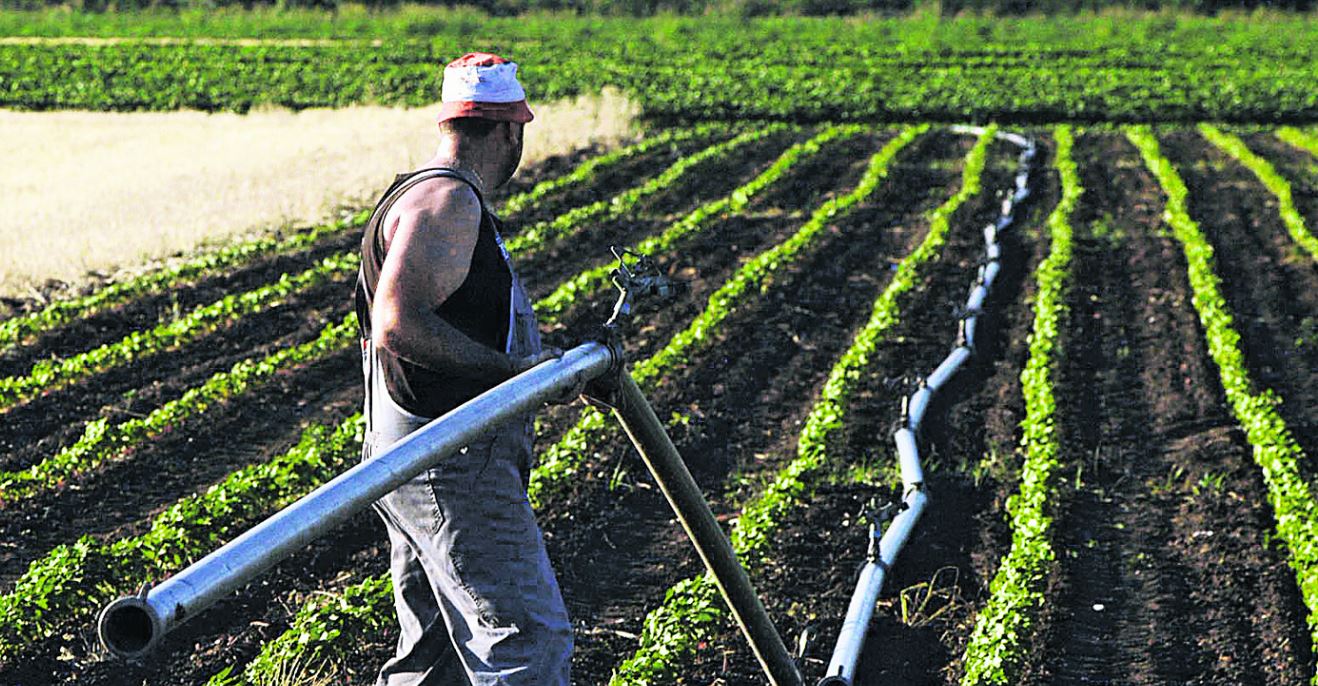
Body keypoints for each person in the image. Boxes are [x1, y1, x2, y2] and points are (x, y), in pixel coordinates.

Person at [353, 52, 572, 686]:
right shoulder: (449, 202)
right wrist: (511, 372)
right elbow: (397, 322)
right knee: (525, 641)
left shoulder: (415, 193)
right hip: (450, 464)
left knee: (436, 657)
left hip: (410, 456)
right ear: (508, 130)